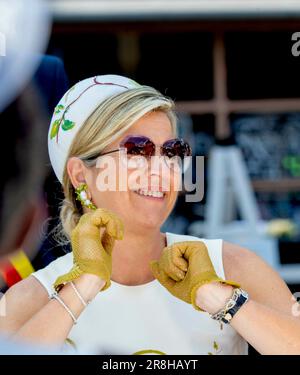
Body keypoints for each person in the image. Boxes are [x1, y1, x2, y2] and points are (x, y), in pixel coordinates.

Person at [1, 74, 300, 355]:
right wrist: (82, 287)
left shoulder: (231, 267)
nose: (161, 170)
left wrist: (222, 299)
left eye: (172, 151)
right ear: (81, 176)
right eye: (136, 150)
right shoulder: (30, 299)